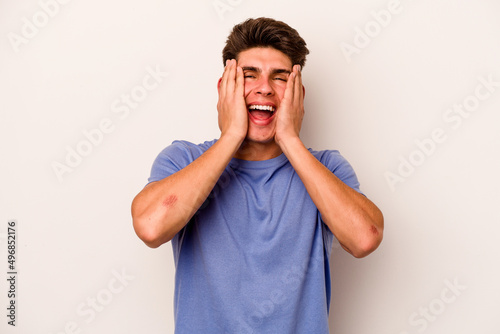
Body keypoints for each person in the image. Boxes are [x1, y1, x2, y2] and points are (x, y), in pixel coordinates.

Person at [131, 17, 384, 334]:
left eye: (280, 78)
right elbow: (151, 227)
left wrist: (290, 139)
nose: (264, 88)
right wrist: (231, 136)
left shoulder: (327, 169)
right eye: (249, 76)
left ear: (298, 94)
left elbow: (365, 238)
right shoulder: (183, 160)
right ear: (225, 87)